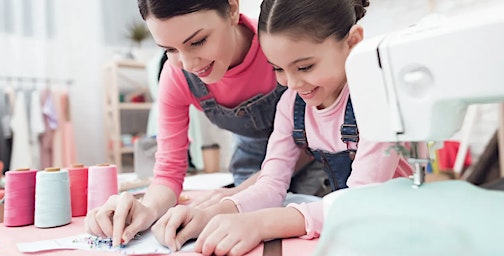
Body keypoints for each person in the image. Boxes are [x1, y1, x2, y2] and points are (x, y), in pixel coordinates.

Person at [154, 0, 415, 254]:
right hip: (350, 229)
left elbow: (360, 199)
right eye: (278, 68)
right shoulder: (292, 104)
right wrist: (211, 214)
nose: (292, 83)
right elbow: (271, 184)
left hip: (399, 226)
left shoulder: (375, 101)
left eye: (304, 67)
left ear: (352, 42)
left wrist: (261, 224)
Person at [84, 0, 328, 247]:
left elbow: (315, 138)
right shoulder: (176, 76)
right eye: (169, 50)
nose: (188, 65)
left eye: (197, 42)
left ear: (232, 9)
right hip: (252, 165)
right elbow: (169, 170)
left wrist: (235, 196)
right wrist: (146, 208)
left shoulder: (279, 43)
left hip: (315, 159)